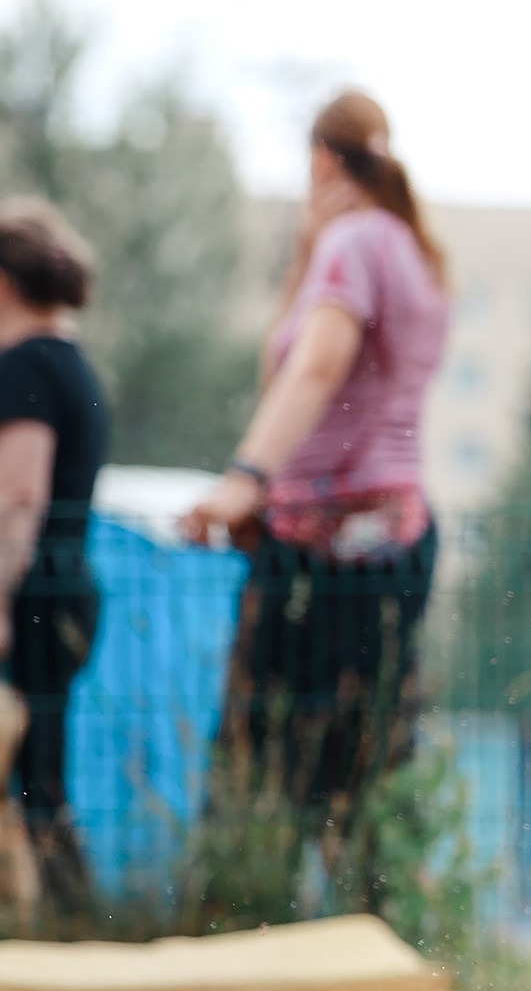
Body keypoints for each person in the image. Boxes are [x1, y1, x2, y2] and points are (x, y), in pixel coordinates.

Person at [178, 91, 449, 908]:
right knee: (367, 763)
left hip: (323, 546)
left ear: (322, 160)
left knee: (262, 757)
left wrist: (246, 476)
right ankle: (386, 932)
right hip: (394, 536)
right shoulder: (409, 247)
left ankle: (245, 920)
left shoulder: (352, 241)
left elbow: (319, 364)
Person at [0, 198, 111, 907]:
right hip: (65, 585)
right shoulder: (71, 364)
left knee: (34, 776)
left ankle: (69, 914)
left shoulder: (25, 367)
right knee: (42, 771)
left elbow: (18, 494)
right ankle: (69, 912)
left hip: (31, 592)